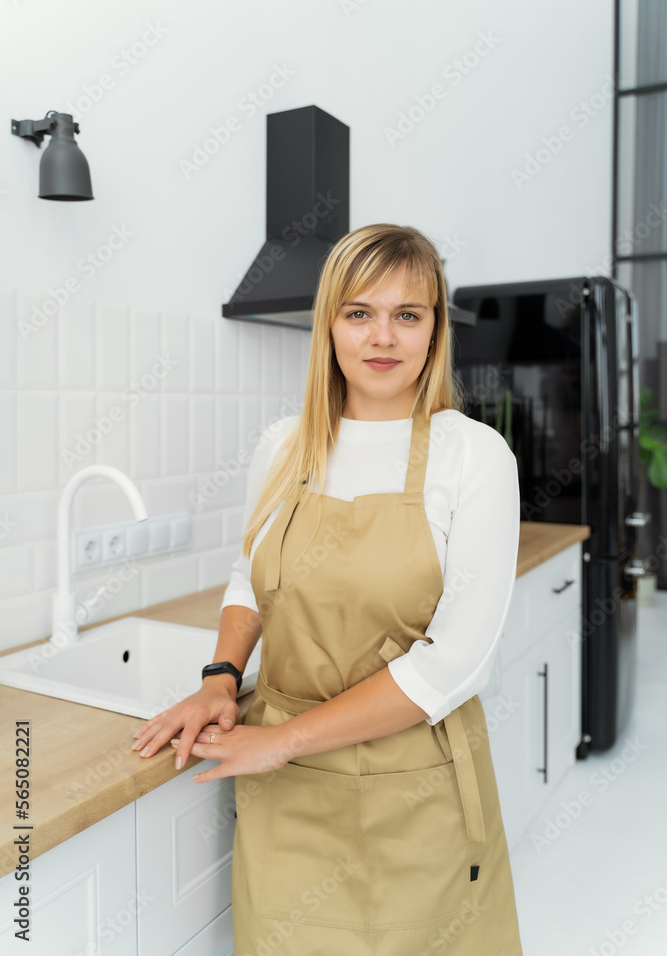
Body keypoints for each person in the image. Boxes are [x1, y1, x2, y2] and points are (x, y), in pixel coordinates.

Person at [132, 223, 524, 954]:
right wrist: (220, 679)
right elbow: (252, 575)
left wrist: (284, 741)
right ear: (330, 326)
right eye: (358, 312)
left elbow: (453, 661)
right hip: (286, 796)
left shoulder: (472, 455)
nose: (383, 336)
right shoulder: (286, 445)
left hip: (413, 790)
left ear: (434, 331)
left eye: (407, 314)